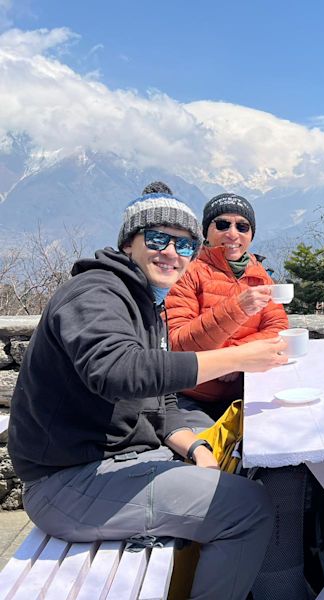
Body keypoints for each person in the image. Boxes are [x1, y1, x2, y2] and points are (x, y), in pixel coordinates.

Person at [8, 192, 288, 600]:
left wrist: (198, 451)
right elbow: (118, 372)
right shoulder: (95, 293)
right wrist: (237, 357)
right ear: (129, 243)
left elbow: (163, 405)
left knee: (234, 476)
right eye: (158, 239)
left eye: (184, 244)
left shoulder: (146, 305)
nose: (172, 253)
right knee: (248, 510)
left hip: (114, 464)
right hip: (66, 480)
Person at [166, 192, 289, 427]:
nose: (233, 234)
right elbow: (178, 345)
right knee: (210, 455)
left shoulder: (259, 275)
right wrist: (237, 310)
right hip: (193, 397)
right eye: (222, 224)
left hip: (248, 391)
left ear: (251, 235)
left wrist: (235, 356)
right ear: (205, 231)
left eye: (242, 227)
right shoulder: (188, 272)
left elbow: (278, 327)